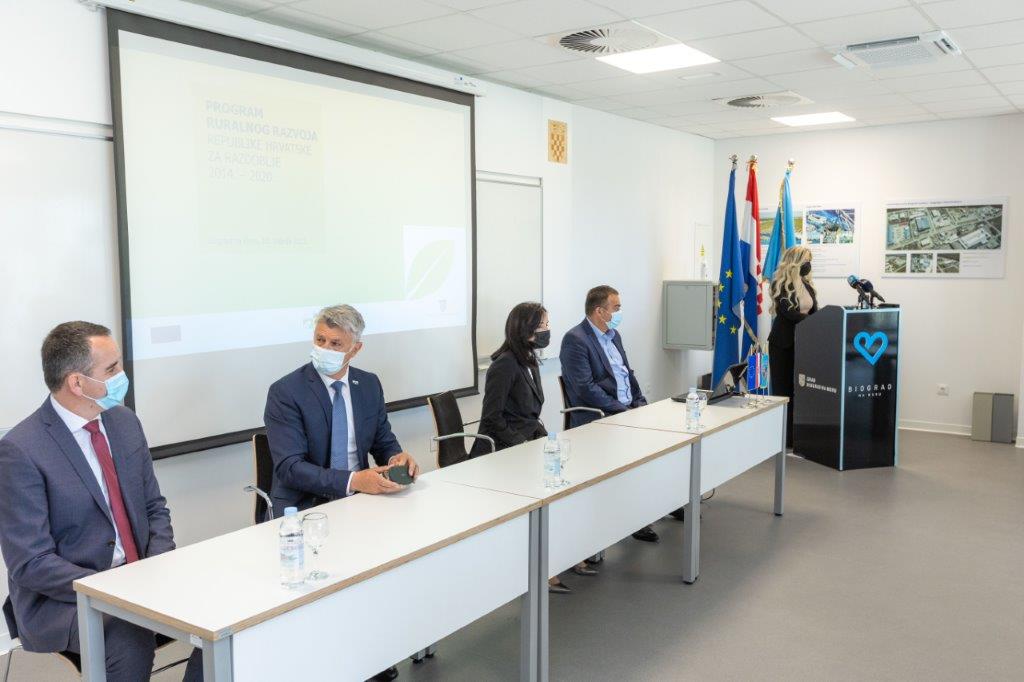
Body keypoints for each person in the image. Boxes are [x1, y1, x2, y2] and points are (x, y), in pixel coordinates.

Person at [0, 322, 203, 681]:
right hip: (65, 598)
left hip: (139, 578)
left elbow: (154, 508)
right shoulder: (21, 450)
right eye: (112, 369)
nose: (123, 375)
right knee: (127, 631)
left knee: (219, 608)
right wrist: (113, 590)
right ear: (77, 383)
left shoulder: (124, 422)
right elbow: (31, 562)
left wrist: (156, 568)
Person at [264, 304, 419, 682]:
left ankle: (369, 654)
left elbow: (383, 441)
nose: (325, 348)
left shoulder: (368, 384)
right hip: (303, 507)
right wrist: (353, 482)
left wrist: (398, 458)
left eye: (336, 343)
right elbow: (290, 467)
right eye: (320, 340)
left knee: (380, 574)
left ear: (355, 348)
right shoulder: (286, 391)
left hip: (360, 504)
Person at [472, 302, 596, 593]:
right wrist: (523, 445)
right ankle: (545, 570)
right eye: (542, 326)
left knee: (566, 483)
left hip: (529, 441)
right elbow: (491, 418)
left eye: (547, 325)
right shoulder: (504, 364)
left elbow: (528, 414)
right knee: (547, 494)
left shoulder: (528, 359)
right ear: (524, 329)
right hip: (504, 451)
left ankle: (564, 554)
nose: (547, 331)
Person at [559, 285, 661, 544]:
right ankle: (632, 518)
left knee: (662, 447)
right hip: (599, 415)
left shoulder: (614, 336)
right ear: (599, 311)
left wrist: (640, 403)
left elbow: (627, 374)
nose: (619, 313)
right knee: (636, 458)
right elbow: (585, 388)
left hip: (625, 410)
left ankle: (662, 504)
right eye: (616, 308)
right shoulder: (575, 340)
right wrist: (622, 411)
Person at [768, 246, 818, 449]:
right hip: (783, 344)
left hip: (804, 344)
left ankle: (799, 434)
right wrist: (814, 320)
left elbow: (814, 311)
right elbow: (790, 314)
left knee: (801, 390)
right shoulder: (780, 284)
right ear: (795, 262)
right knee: (784, 390)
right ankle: (784, 437)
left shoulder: (808, 285)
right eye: (806, 261)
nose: (809, 265)